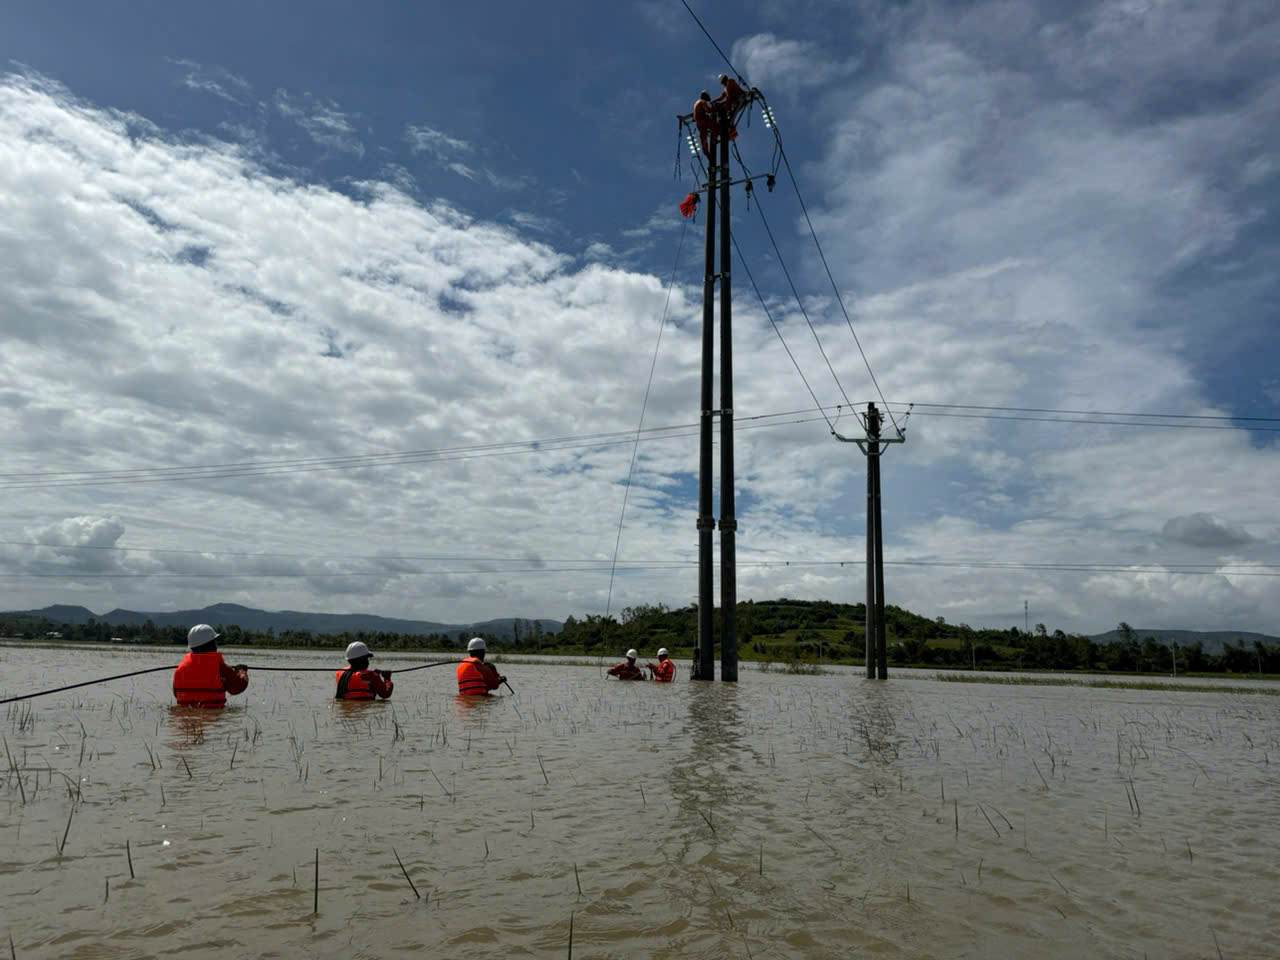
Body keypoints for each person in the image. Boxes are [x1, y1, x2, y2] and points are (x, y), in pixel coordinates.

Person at [173, 624, 248, 708]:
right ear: (210, 644)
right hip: (212, 715)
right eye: (214, 642)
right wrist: (242, 671)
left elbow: (176, 694)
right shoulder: (220, 667)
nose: (216, 646)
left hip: (184, 717)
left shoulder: (180, 668)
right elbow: (237, 687)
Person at [692, 90, 714, 157]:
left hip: (699, 123)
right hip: (703, 121)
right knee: (716, 127)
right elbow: (708, 110)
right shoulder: (702, 101)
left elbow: (695, 116)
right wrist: (713, 109)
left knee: (703, 138)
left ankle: (707, 153)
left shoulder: (696, 102)